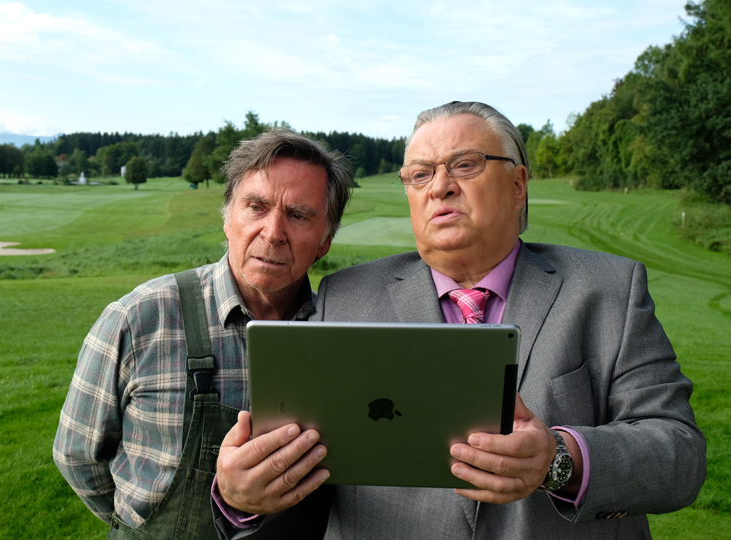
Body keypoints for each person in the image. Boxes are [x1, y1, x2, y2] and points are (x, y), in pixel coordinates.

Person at [214, 101, 706, 539]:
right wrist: (239, 500)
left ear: (517, 185)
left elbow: (681, 455)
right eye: (420, 174)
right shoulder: (345, 297)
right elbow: (305, 462)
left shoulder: (609, 291)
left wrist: (559, 459)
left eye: (465, 165)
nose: (441, 187)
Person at [53, 128, 352, 540]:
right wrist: (142, 527)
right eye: (256, 207)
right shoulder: (140, 317)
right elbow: (77, 455)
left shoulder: (340, 335)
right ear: (228, 218)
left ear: (325, 241)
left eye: (298, 215)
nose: (273, 232)